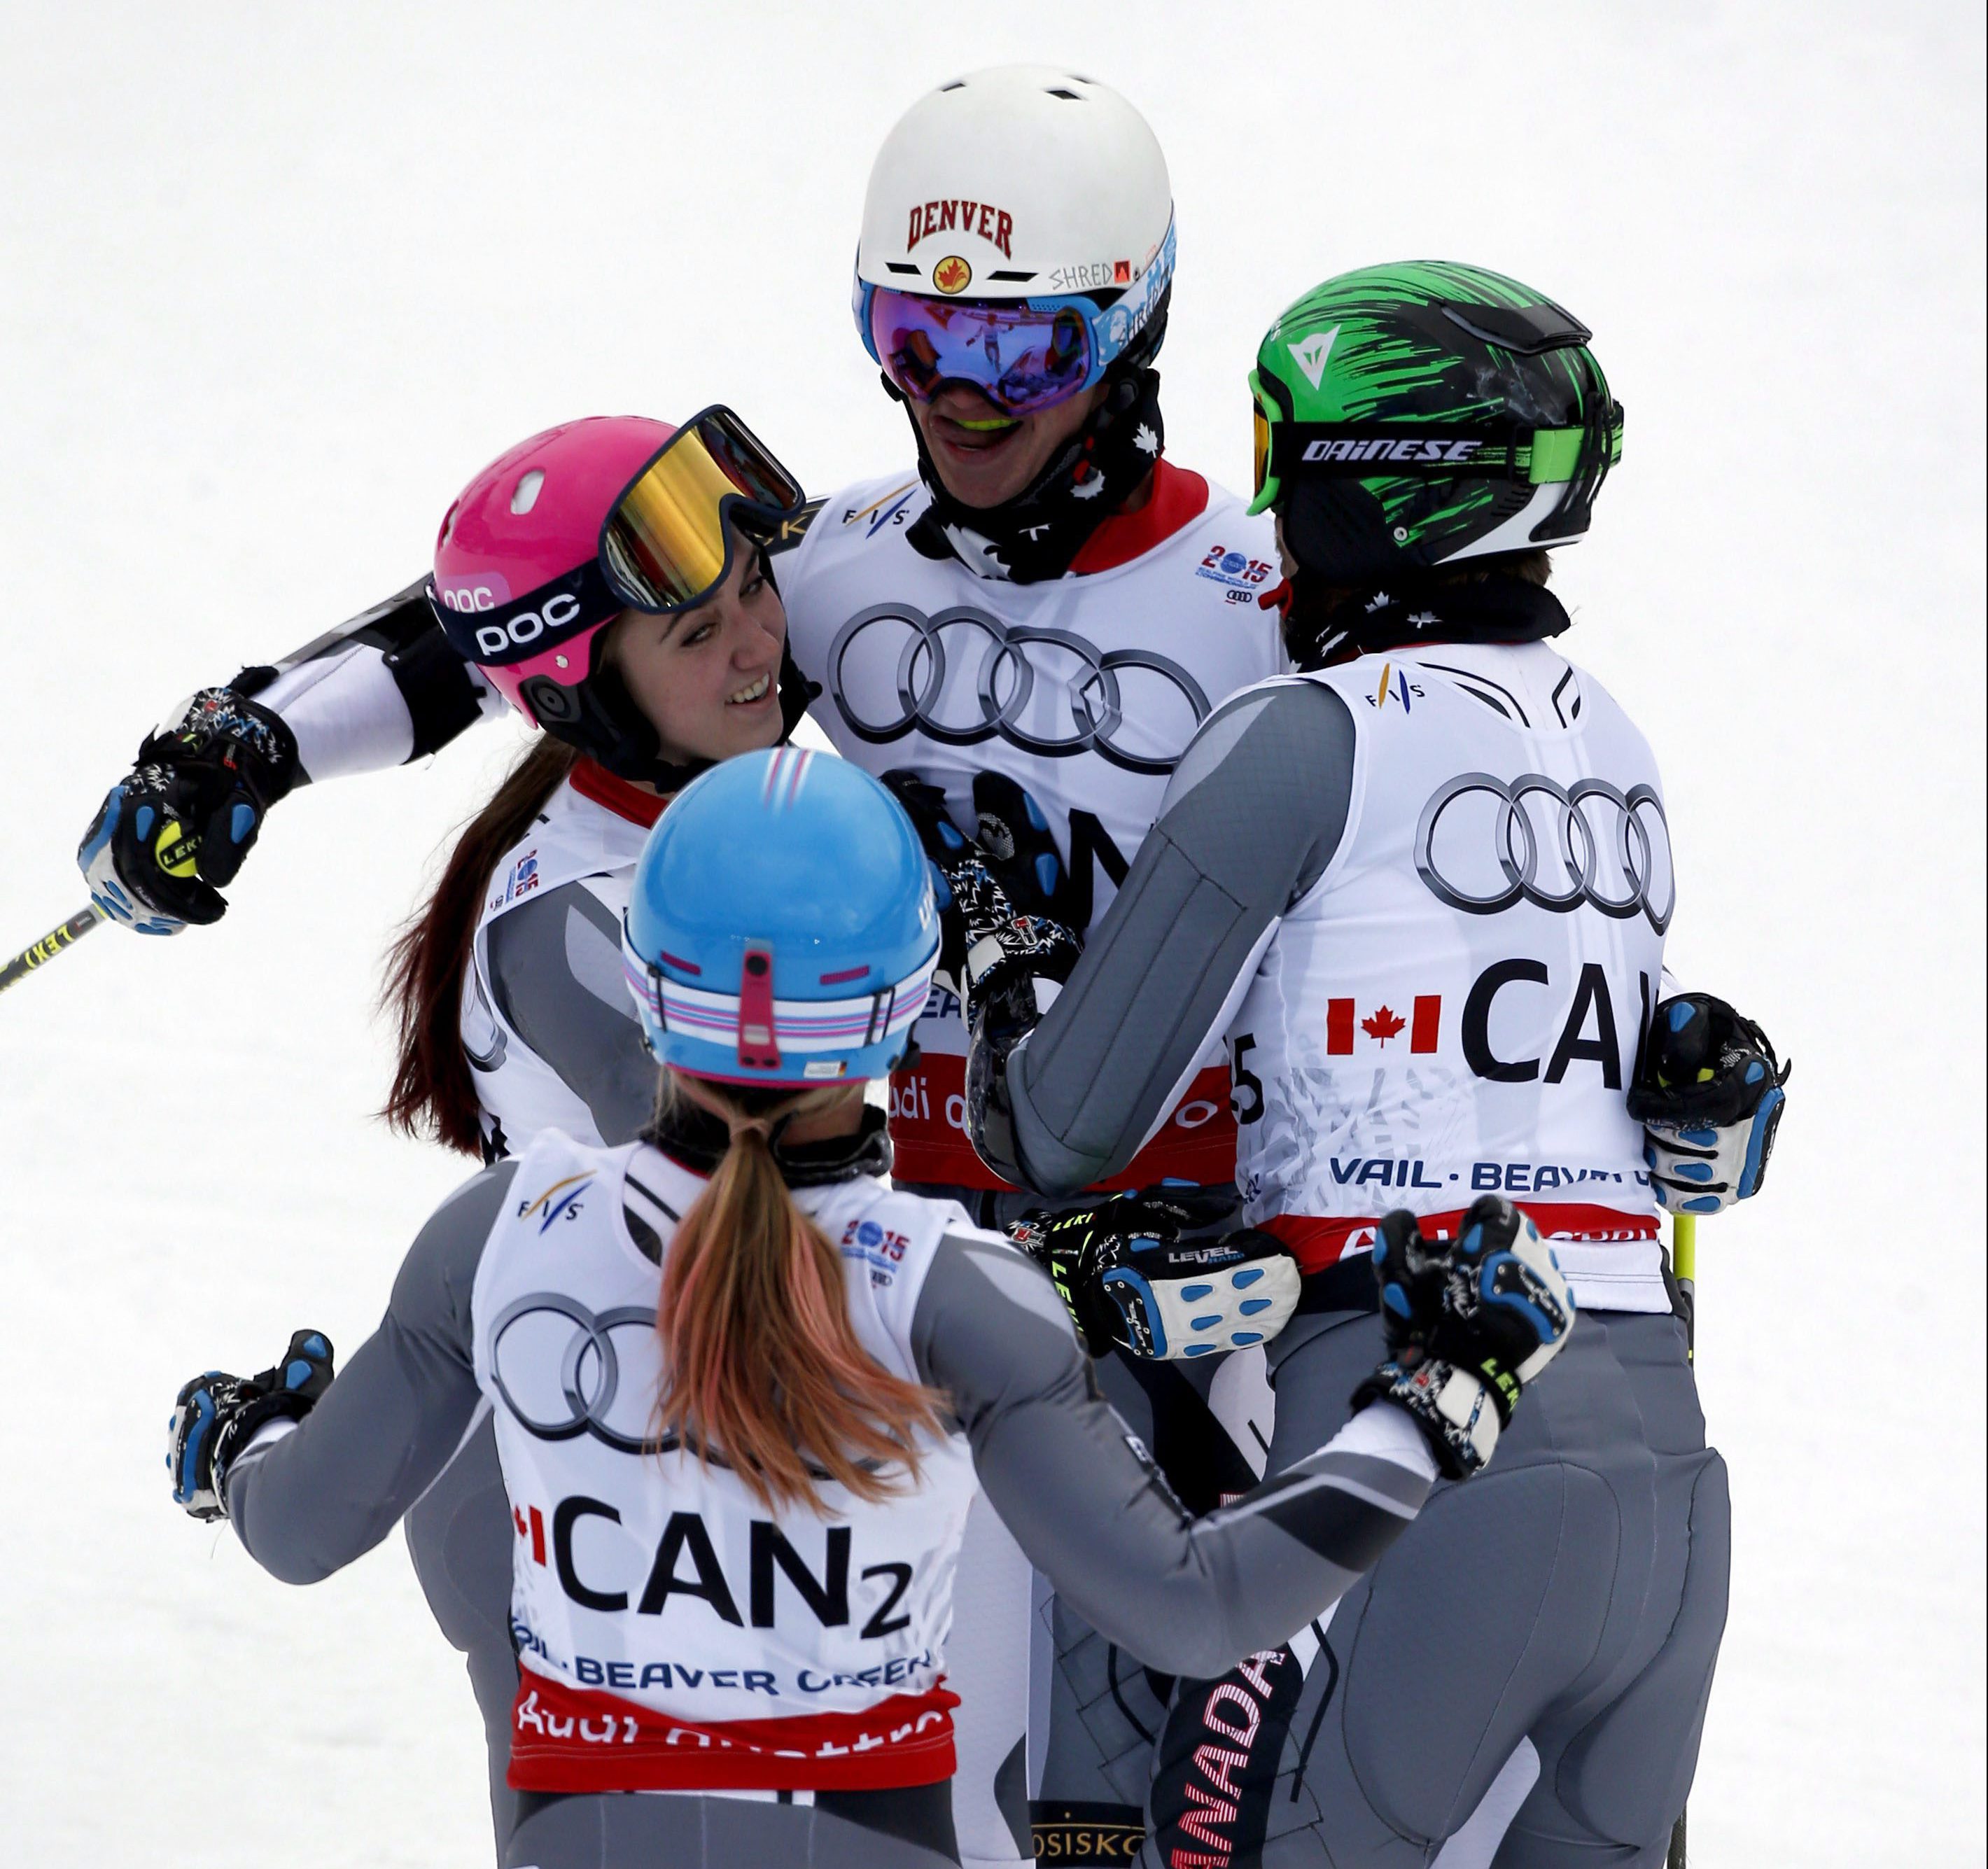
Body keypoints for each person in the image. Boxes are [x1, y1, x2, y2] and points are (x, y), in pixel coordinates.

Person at [78, 65, 1293, 1861]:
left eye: (1015, 355)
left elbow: (548, 604)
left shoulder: (1165, 595)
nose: (952, 396)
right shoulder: (635, 849)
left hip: (964, 1352)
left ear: (1131, 327)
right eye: (910, 337)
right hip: (782, 1437)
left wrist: (263, 738)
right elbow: (526, 626)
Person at [163, 748, 1576, 1869]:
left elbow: (295, 1538)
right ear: (906, 1010)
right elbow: (1198, 1613)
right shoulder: (956, 1295)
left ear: (646, 988)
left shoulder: (499, 1236)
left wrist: (245, 1452)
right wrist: (1444, 1401)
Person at [965, 263, 1789, 1866]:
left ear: (1375, 491)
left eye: (1280, 462)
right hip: (1668, 1474)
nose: (1266, 521)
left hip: (1431, 1446)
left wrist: (1000, 952)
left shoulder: (1306, 732)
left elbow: (1060, 1130)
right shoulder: (1614, 745)